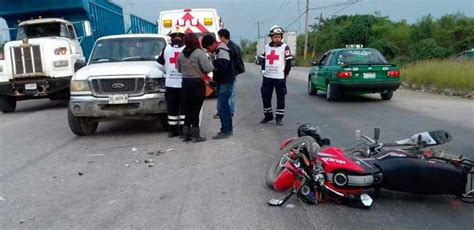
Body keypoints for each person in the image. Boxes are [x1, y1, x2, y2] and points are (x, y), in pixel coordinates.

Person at [177, 33, 214, 142]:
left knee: (187, 109)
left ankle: (186, 134)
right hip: (197, 84)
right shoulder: (199, 53)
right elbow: (208, 68)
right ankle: (196, 135)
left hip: (185, 84)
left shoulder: (181, 55)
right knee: (196, 110)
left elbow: (179, 70)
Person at [201, 34, 235, 139]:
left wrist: (213, 66)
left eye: (209, 48)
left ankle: (225, 130)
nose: (209, 50)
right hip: (224, 81)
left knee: (222, 106)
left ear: (214, 44)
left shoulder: (222, 51)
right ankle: (228, 129)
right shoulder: (219, 50)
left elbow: (223, 67)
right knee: (224, 106)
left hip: (226, 82)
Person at [260, 25, 292, 126]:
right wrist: (263, 70)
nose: (277, 38)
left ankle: (279, 117)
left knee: (280, 97)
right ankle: (268, 115)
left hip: (279, 77)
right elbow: (263, 60)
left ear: (281, 37)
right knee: (265, 96)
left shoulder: (285, 47)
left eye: (279, 36)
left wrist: (285, 74)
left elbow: (289, 62)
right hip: (268, 77)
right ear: (271, 37)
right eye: (275, 36)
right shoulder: (266, 47)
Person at [157, 26, 186, 138]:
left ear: (171, 37)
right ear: (183, 37)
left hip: (170, 85)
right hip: (183, 84)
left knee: (172, 109)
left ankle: (172, 131)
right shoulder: (186, 48)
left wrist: (168, 71)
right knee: (183, 109)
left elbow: (159, 64)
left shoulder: (166, 49)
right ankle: (183, 130)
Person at [213, 29, 245, 119]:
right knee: (222, 93)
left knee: (231, 93)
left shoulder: (232, 47)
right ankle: (221, 111)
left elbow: (236, 62)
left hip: (231, 73)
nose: (219, 39)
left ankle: (230, 111)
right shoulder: (227, 46)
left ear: (223, 37)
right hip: (226, 74)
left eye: (219, 37)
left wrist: (233, 73)